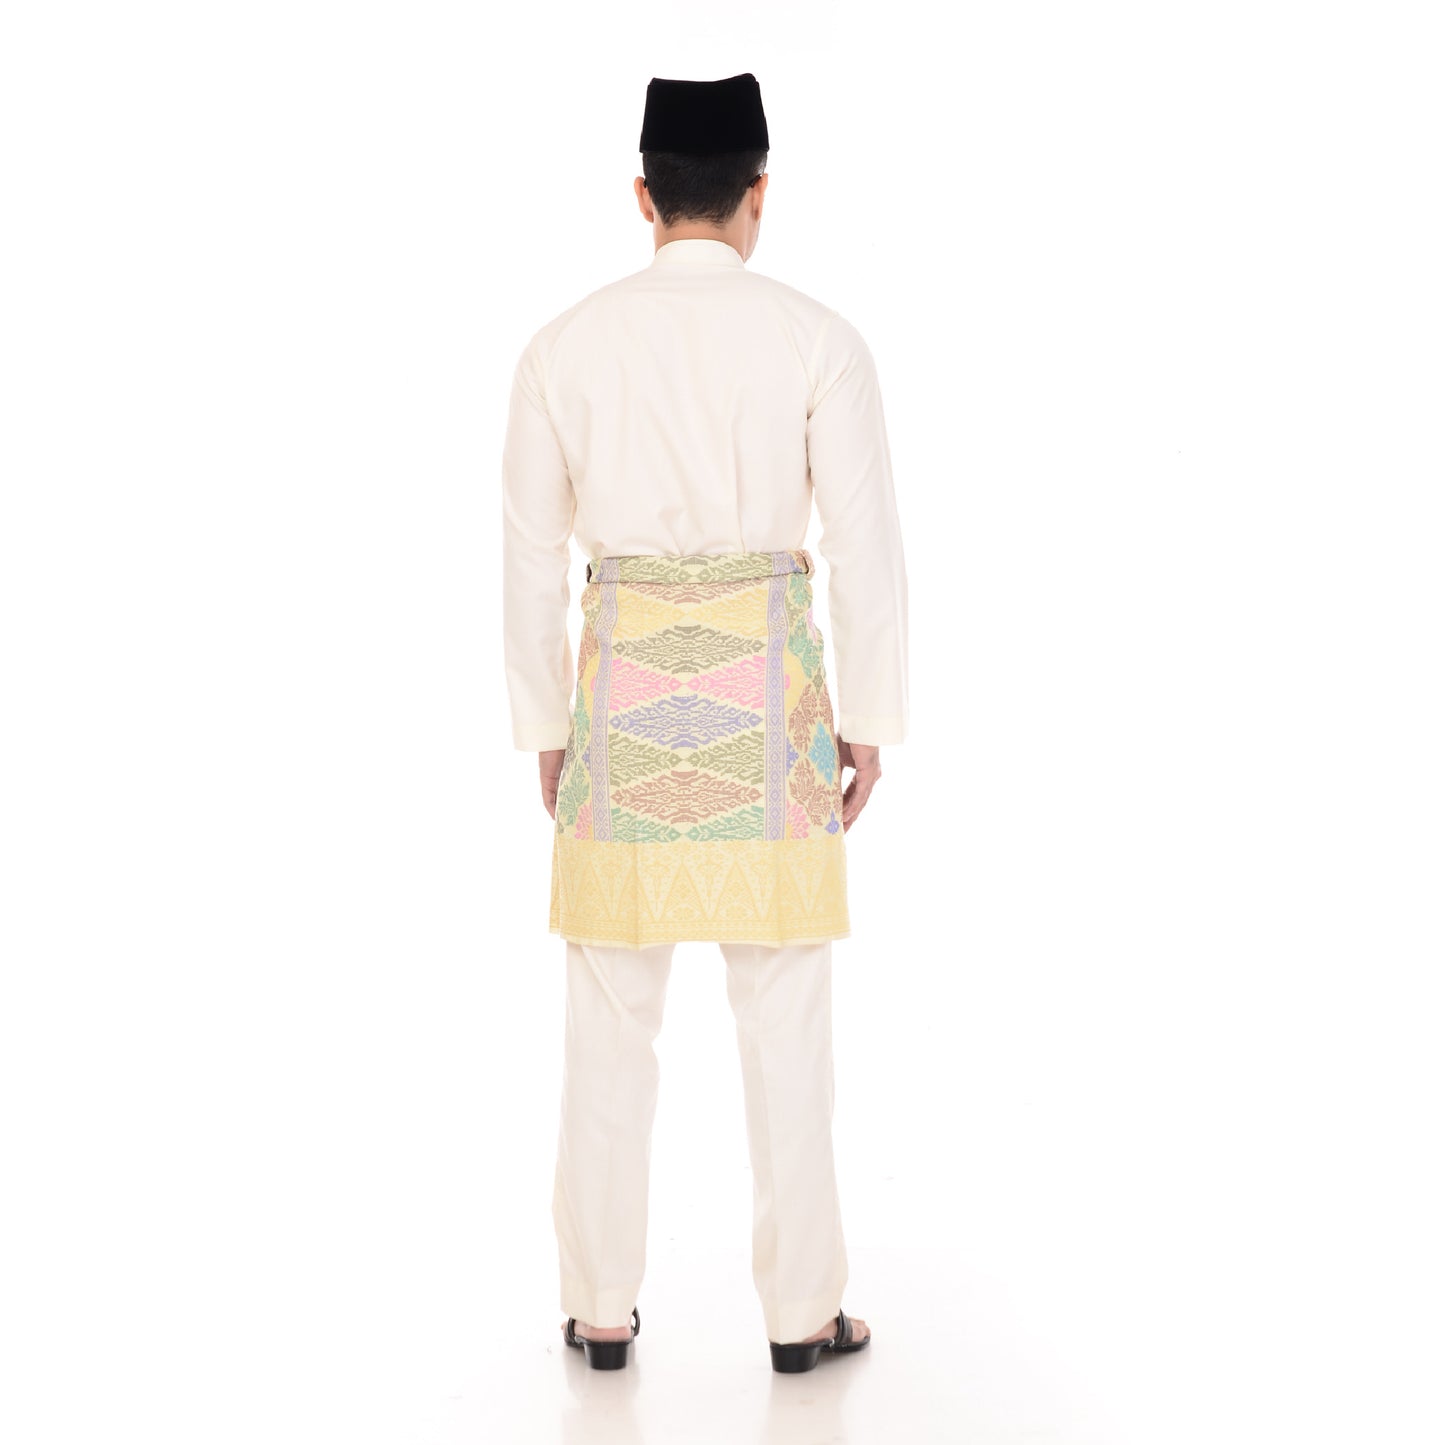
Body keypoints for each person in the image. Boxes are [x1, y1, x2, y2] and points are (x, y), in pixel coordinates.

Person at [500, 72, 909, 1373]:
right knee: (785, 1015)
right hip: (771, 702)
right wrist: (867, 716)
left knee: (607, 1017)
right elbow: (865, 547)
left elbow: (528, 554)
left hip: (619, 698)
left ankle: (598, 1308)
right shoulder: (817, 339)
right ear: (758, 194)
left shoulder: (562, 346)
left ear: (642, 195)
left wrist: (545, 721)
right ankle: (801, 1315)